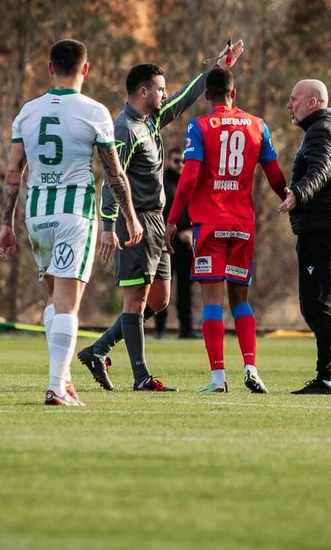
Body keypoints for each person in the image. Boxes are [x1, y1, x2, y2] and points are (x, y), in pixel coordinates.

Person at [77, 38, 245, 392]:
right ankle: (141, 377)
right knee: (136, 301)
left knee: (159, 299)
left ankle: (99, 349)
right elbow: (111, 177)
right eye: (160, 89)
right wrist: (110, 226)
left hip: (156, 220)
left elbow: (184, 99)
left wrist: (218, 68)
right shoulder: (124, 128)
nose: (165, 94)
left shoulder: (151, 120)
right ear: (142, 91)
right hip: (133, 220)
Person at [0, 39, 142, 406]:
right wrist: (130, 216)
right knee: (68, 305)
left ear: (49, 68)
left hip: (37, 214)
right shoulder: (94, 112)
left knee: (52, 300)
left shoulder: (27, 112)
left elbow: (13, 173)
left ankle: (63, 380)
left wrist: (7, 224)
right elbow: (114, 173)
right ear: (86, 69)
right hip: (74, 214)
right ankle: (56, 386)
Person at [163, 67, 287, 394]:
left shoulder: (200, 126)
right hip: (242, 226)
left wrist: (173, 219)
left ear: (206, 95)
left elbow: (188, 179)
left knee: (212, 304)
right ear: (234, 94)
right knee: (241, 301)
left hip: (210, 225)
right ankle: (251, 366)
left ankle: (218, 378)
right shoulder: (258, 126)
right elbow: (274, 174)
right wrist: (288, 197)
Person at [278, 79, 331, 395]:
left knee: (316, 306)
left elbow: (320, 171)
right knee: (321, 304)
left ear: (312, 102)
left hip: (322, 229)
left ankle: (326, 379)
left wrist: (298, 194)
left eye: (293, 99)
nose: (289, 105)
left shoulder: (322, 131)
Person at [152, 148, 197, 340]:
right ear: (169, 161)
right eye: (177, 161)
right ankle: (159, 329)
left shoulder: (192, 182)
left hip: (187, 246)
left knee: (186, 291)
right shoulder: (162, 183)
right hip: (166, 245)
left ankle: (186, 330)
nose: (181, 165)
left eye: (184, 161)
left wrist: (193, 232)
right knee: (162, 288)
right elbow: (159, 212)